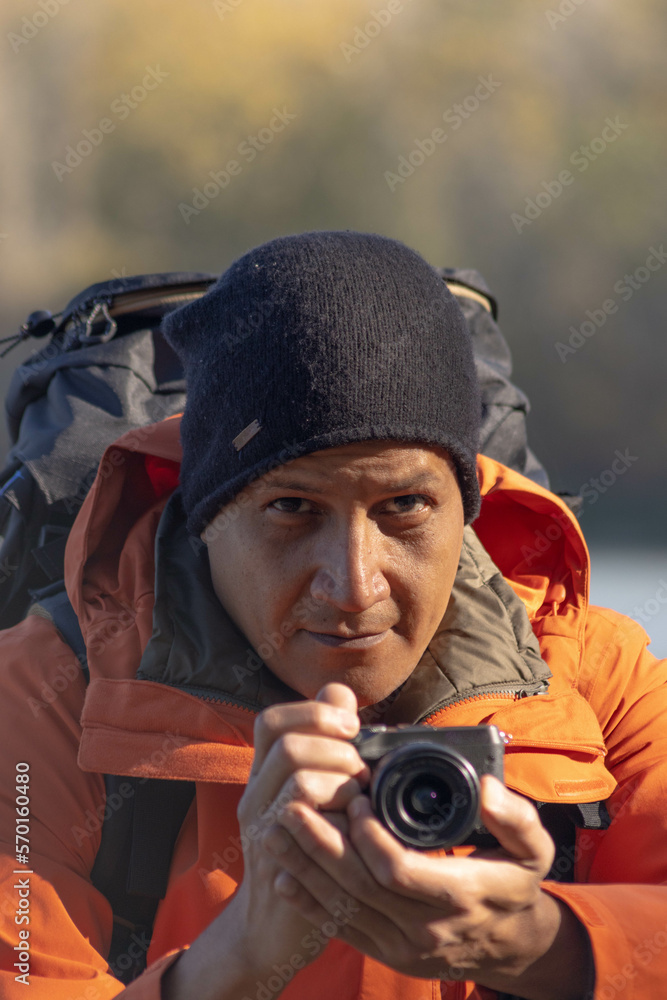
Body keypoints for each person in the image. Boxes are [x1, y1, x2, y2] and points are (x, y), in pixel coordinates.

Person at [1, 230, 666, 1000]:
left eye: (405, 506)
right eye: (290, 507)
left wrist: (544, 946)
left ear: (468, 507)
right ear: (203, 515)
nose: (353, 586)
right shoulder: (42, 698)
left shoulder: (592, 678)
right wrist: (234, 960)